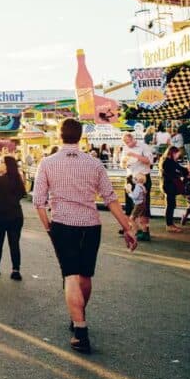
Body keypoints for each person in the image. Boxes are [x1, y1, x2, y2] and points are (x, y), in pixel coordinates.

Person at [33, 118, 137, 354]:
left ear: (60, 135)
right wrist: (128, 228)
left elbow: (38, 202)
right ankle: (78, 314)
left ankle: (80, 330)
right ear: (80, 136)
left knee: (70, 275)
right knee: (85, 274)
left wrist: (48, 226)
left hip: (63, 224)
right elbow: (111, 198)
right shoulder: (94, 163)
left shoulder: (47, 163)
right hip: (91, 225)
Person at [0, 156, 26, 280]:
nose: (0, 164)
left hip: (0, 215)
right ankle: (16, 269)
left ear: (7, 165)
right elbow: (22, 194)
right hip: (16, 215)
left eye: (2, 162)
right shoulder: (18, 180)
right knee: (14, 243)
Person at [120, 132, 154, 233]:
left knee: (143, 205)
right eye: (125, 142)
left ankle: (145, 229)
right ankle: (130, 227)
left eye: (128, 141)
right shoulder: (125, 148)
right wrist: (124, 162)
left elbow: (149, 161)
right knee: (129, 204)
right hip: (130, 177)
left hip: (142, 178)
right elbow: (122, 164)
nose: (127, 144)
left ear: (133, 139)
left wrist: (135, 155)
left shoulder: (143, 146)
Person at [159, 145, 190, 233]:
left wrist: (184, 171)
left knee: (171, 205)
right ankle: (169, 225)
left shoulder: (167, 161)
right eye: (177, 154)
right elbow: (177, 171)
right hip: (169, 186)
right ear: (172, 153)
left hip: (168, 186)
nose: (178, 156)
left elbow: (179, 169)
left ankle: (170, 224)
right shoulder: (168, 162)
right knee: (170, 205)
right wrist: (186, 172)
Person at [128, 172, 150, 242]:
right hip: (143, 204)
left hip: (138, 205)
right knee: (141, 219)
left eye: (135, 178)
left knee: (132, 218)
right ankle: (145, 233)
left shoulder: (138, 186)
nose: (133, 179)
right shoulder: (143, 186)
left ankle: (138, 232)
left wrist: (129, 193)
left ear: (138, 180)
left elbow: (135, 197)